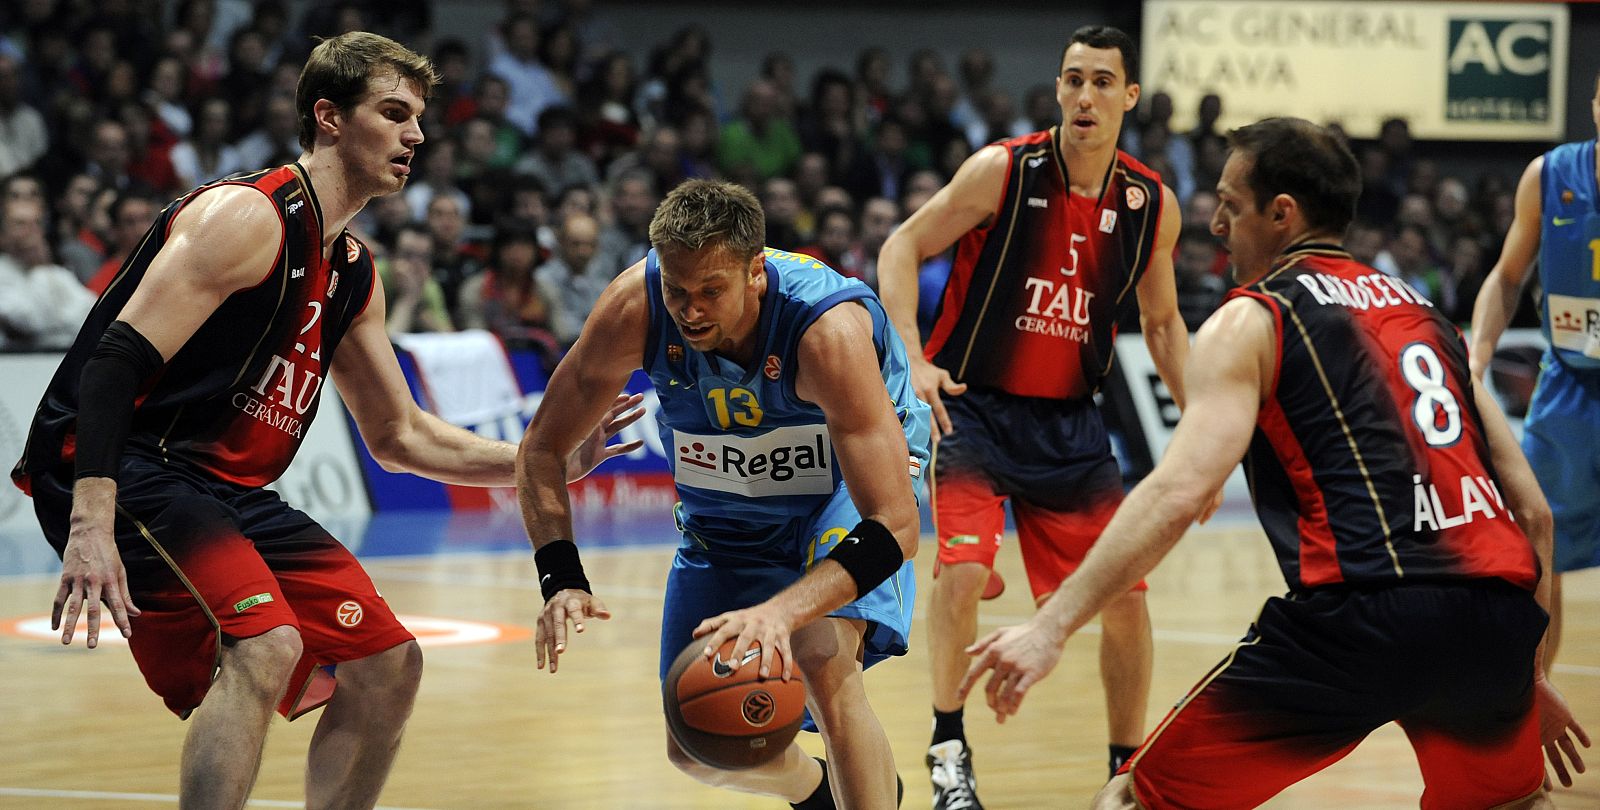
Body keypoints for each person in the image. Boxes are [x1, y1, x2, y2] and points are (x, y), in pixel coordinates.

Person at [8, 33, 636, 810]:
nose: (417, 135)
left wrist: (545, 462)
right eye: (395, 113)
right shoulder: (248, 217)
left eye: (420, 118)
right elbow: (113, 361)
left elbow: (400, 437)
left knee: (389, 664)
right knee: (267, 643)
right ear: (329, 118)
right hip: (124, 464)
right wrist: (90, 520)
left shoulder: (353, 271)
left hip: (221, 488)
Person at [959, 117, 1589, 809]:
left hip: (1356, 619)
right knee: (1513, 804)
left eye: (1231, 204)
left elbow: (1176, 491)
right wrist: (1523, 680)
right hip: (1489, 625)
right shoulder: (1430, 316)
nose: (1218, 225)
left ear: (1281, 213)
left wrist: (1051, 628)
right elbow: (1532, 514)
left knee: (1139, 800)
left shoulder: (1255, 315)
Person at [516, 179, 932, 809]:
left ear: (756, 273)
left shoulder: (826, 334)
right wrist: (561, 575)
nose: (691, 310)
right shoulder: (634, 310)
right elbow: (541, 451)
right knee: (695, 743)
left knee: (821, 657)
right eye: (677, 291)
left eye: (712, 290)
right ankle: (816, 790)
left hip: (841, 487)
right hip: (727, 504)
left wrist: (782, 613)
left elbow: (895, 525)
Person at [876, 25, 1195, 805]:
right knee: (961, 575)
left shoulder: (1151, 202)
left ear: (1129, 97)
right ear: (1057, 89)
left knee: (1125, 599)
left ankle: (1126, 772)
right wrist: (913, 359)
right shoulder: (1004, 172)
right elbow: (902, 246)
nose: (1084, 96)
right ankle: (949, 751)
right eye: (1071, 80)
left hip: (1073, 431)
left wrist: (1199, 425)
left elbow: (1162, 325)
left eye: (1100, 82)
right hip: (974, 414)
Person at [1469, 73, 1600, 679]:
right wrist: (1479, 353)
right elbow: (1507, 275)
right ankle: (1530, 710)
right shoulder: (1549, 176)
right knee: (1535, 548)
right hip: (1569, 385)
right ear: (1595, 103)